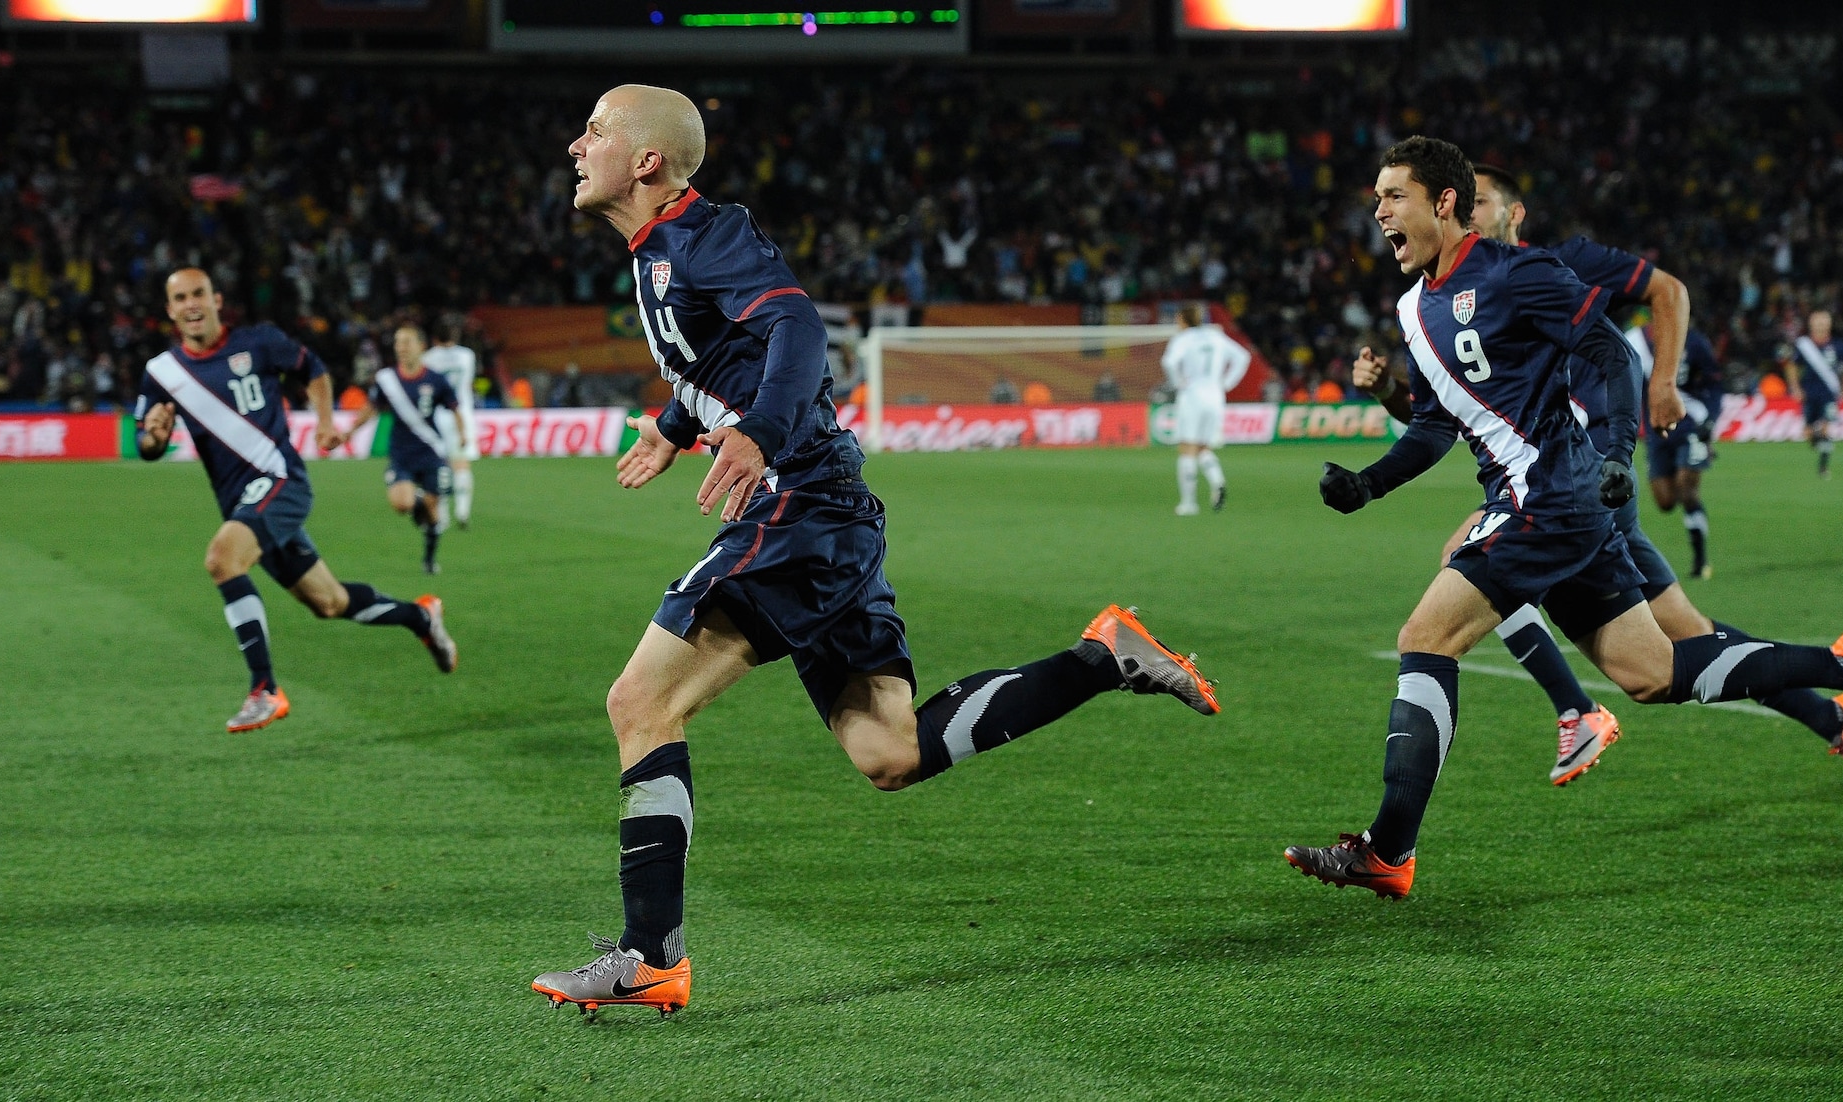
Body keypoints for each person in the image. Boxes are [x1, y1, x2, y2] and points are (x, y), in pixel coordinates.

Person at [529, 85, 1220, 1018]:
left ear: (648, 163)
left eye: (597, 131)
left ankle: (651, 955)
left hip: (798, 504)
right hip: (826, 514)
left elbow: (797, 329)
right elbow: (717, 360)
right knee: (892, 752)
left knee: (640, 702)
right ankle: (1103, 658)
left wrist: (760, 433)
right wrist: (670, 425)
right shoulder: (659, 254)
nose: (577, 145)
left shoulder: (702, 232)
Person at [1287, 138, 1843, 900]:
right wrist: (1369, 484)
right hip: (1553, 500)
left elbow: (1609, 352)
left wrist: (1615, 450)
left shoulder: (1526, 270)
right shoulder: (1415, 309)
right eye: (1375, 199)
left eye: (1392, 196)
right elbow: (1438, 427)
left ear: (1446, 202)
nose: (1377, 212)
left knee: (1426, 636)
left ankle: (1390, 848)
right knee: (1655, 672)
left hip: (1554, 493)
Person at [132, 269, 458, 734]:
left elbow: (314, 370)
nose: (191, 304)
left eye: (199, 293)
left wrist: (325, 421)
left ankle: (263, 688)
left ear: (217, 299)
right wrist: (154, 438)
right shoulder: (161, 373)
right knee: (330, 602)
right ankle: (420, 616)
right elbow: (146, 442)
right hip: (243, 504)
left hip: (280, 481)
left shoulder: (259, 343)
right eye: (180, 297)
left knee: (223, 559)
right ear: (170, 309)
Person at [345, 324, 466, 575]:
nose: (401, 348)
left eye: (407, 342)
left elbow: (455, 407)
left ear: (421, 347)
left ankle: (429, 560)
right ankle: (418, 500)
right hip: (401, 454)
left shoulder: (435, 379)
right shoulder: (387, 380)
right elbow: (371, 408)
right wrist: (350, 431)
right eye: (398, 342)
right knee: (401, 504)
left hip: (431, 452)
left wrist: (462, 434)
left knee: (433, 510)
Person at [1631, 321, 1721, 579]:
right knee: (1666, 501)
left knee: (1687, 488)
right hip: (1657, 431)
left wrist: (1711, 418)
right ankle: (1694, 518)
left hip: (1690, 424)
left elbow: (1714, 382)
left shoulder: (1694, 342)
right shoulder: (1635, 341)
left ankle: (1700, 560)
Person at [1160, 303, 1249, 515]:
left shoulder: (1183, 339)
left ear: (1183, 320)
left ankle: (1188, 503)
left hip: (1192, 395)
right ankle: (1217, 481)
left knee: (1187, 448)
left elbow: (1168, 362)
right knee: (1203, 447)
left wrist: (1177, 382)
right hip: (1215, 396)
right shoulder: (1215, 336)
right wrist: (1227, 383)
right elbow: (1243, 357)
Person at [420, 317, 481, 528]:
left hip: (437, 416)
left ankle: (442, 513)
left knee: (440, 466)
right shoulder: (467, 356)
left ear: (434, 337)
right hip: (461, 414)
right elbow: (468, 383)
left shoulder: (427, 359)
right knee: (462, 463)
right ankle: (463, 511)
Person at [1781, 309, 1843, 479]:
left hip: (1829, 394)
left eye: (1824, 322)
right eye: (1818, 322)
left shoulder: (1838, 346)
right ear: (1811, 324)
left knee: (1825, 427)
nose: (1821, 325)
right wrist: (1795, 388)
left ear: (1829, 324)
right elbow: (1792, 367)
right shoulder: (1804, 346)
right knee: (1808, 432)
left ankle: (1823, 467)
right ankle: (1820, 443)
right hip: (1809, 394)